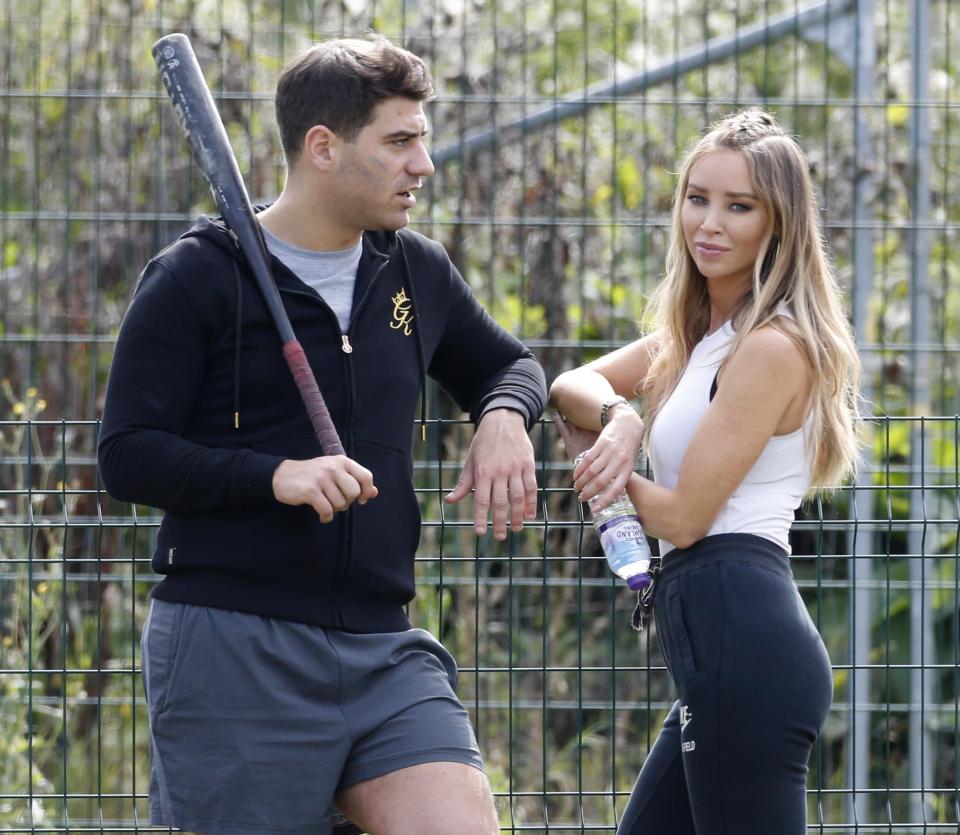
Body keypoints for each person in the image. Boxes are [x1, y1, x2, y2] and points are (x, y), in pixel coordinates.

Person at [98, 34, 546, 835]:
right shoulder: (198, 276)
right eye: (400, 141)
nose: (424, 165)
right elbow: (127, 453)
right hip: (236, 644)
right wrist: (276, 475)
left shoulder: (415, 271)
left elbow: (507, 364)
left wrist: (505, 416)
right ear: (323, 148)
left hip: (382, 641)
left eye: (424, 139)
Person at [549, 109, 860, 834]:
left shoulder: (773, 346)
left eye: (739, 205)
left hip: (743, 633)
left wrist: (605, 468)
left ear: (778, 224)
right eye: (697, 197)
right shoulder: (696, 338)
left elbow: (686, 516)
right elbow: (572, 385)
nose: (709, 223)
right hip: (714, 638)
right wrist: (621, 420)